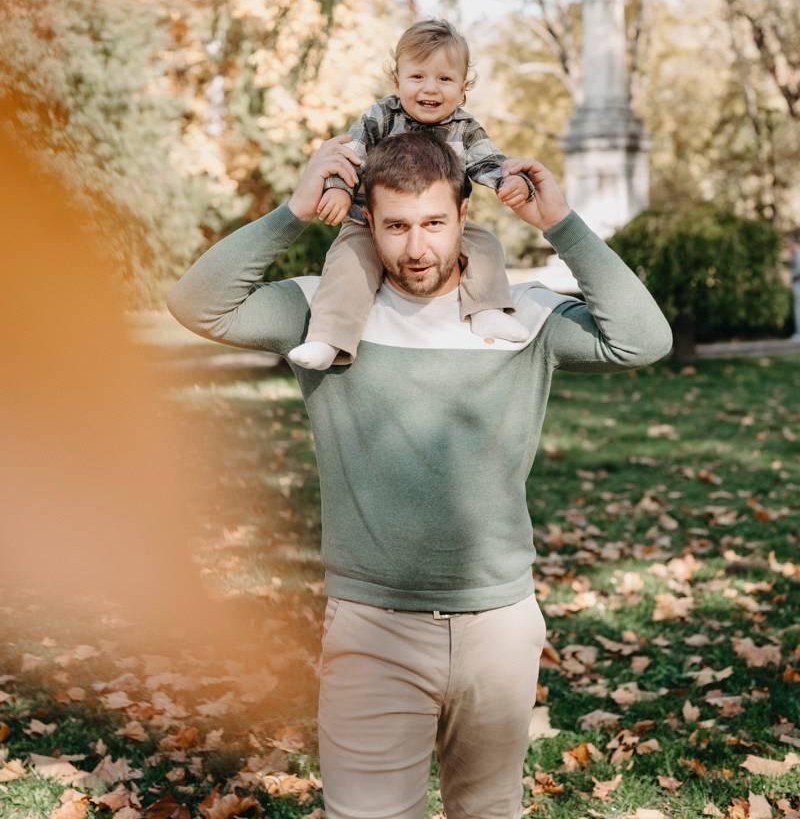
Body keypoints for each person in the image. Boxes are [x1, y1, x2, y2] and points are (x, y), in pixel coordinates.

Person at [168, 130, 672, 819]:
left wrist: (560, 224)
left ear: (465, 216)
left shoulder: (520, 315)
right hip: (373, 627)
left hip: (498, 627)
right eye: (395, 226)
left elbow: (645, 339)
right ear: (365, 223)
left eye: (435, 223)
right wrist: (291, 211)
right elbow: (197, 303)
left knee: (487, 811)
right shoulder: (327, 312)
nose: (416, 248)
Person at [288, 18, 534, 371]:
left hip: (440, 228)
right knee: (347, 265)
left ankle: (487, 309)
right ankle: (329, 337)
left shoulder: (465, 128)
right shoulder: (382, 116)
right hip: (367, 221)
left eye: (445, 79)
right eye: (418, 77)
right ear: (397, 80)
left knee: (486, 245)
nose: (430, 89)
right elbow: (350, 155)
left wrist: (510, 183)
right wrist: (340, 190)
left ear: (463, 87)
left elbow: (490, 162)